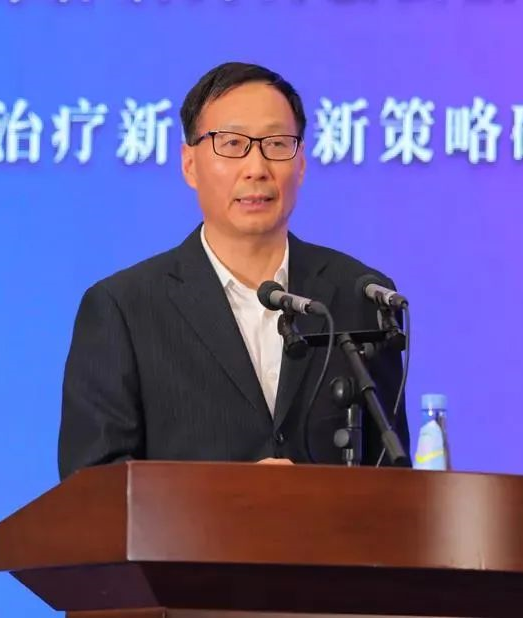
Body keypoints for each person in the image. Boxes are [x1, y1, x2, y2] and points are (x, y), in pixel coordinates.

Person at [58, 62, 409, 479]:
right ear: (189, 164)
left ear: (301, 163)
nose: (256, 167)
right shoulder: (124, 309)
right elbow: (95, 486)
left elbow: (393, 477)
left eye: (277, 144)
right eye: (232, 144)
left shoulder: (359, 295)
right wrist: (231, 497)